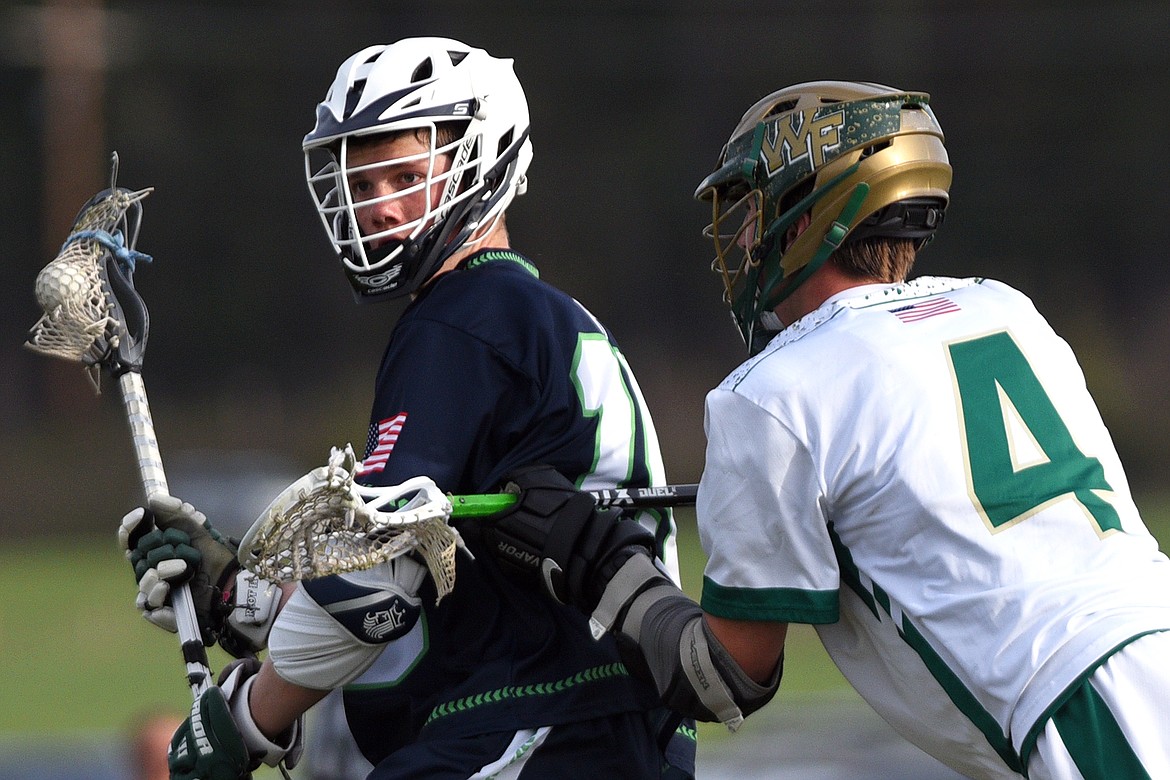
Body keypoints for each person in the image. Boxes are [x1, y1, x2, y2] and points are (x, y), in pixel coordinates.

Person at [478, 81, 1170, 779]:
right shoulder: (1006, 310)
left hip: (1092, 710)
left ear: (811, 217)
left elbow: (726, 676)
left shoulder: (777, 390)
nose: (744, 238)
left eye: (757, 211)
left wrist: (595, 560)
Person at [119, 37, 694, 779]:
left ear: (485, 163)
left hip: (540, 720)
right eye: (361, 181)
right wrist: (241, 597)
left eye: (404, 175)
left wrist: (246, 720)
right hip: (577, 721)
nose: (376, 207)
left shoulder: (460, 319)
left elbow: (374, 592)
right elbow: (434, 573)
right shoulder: (520, 313)